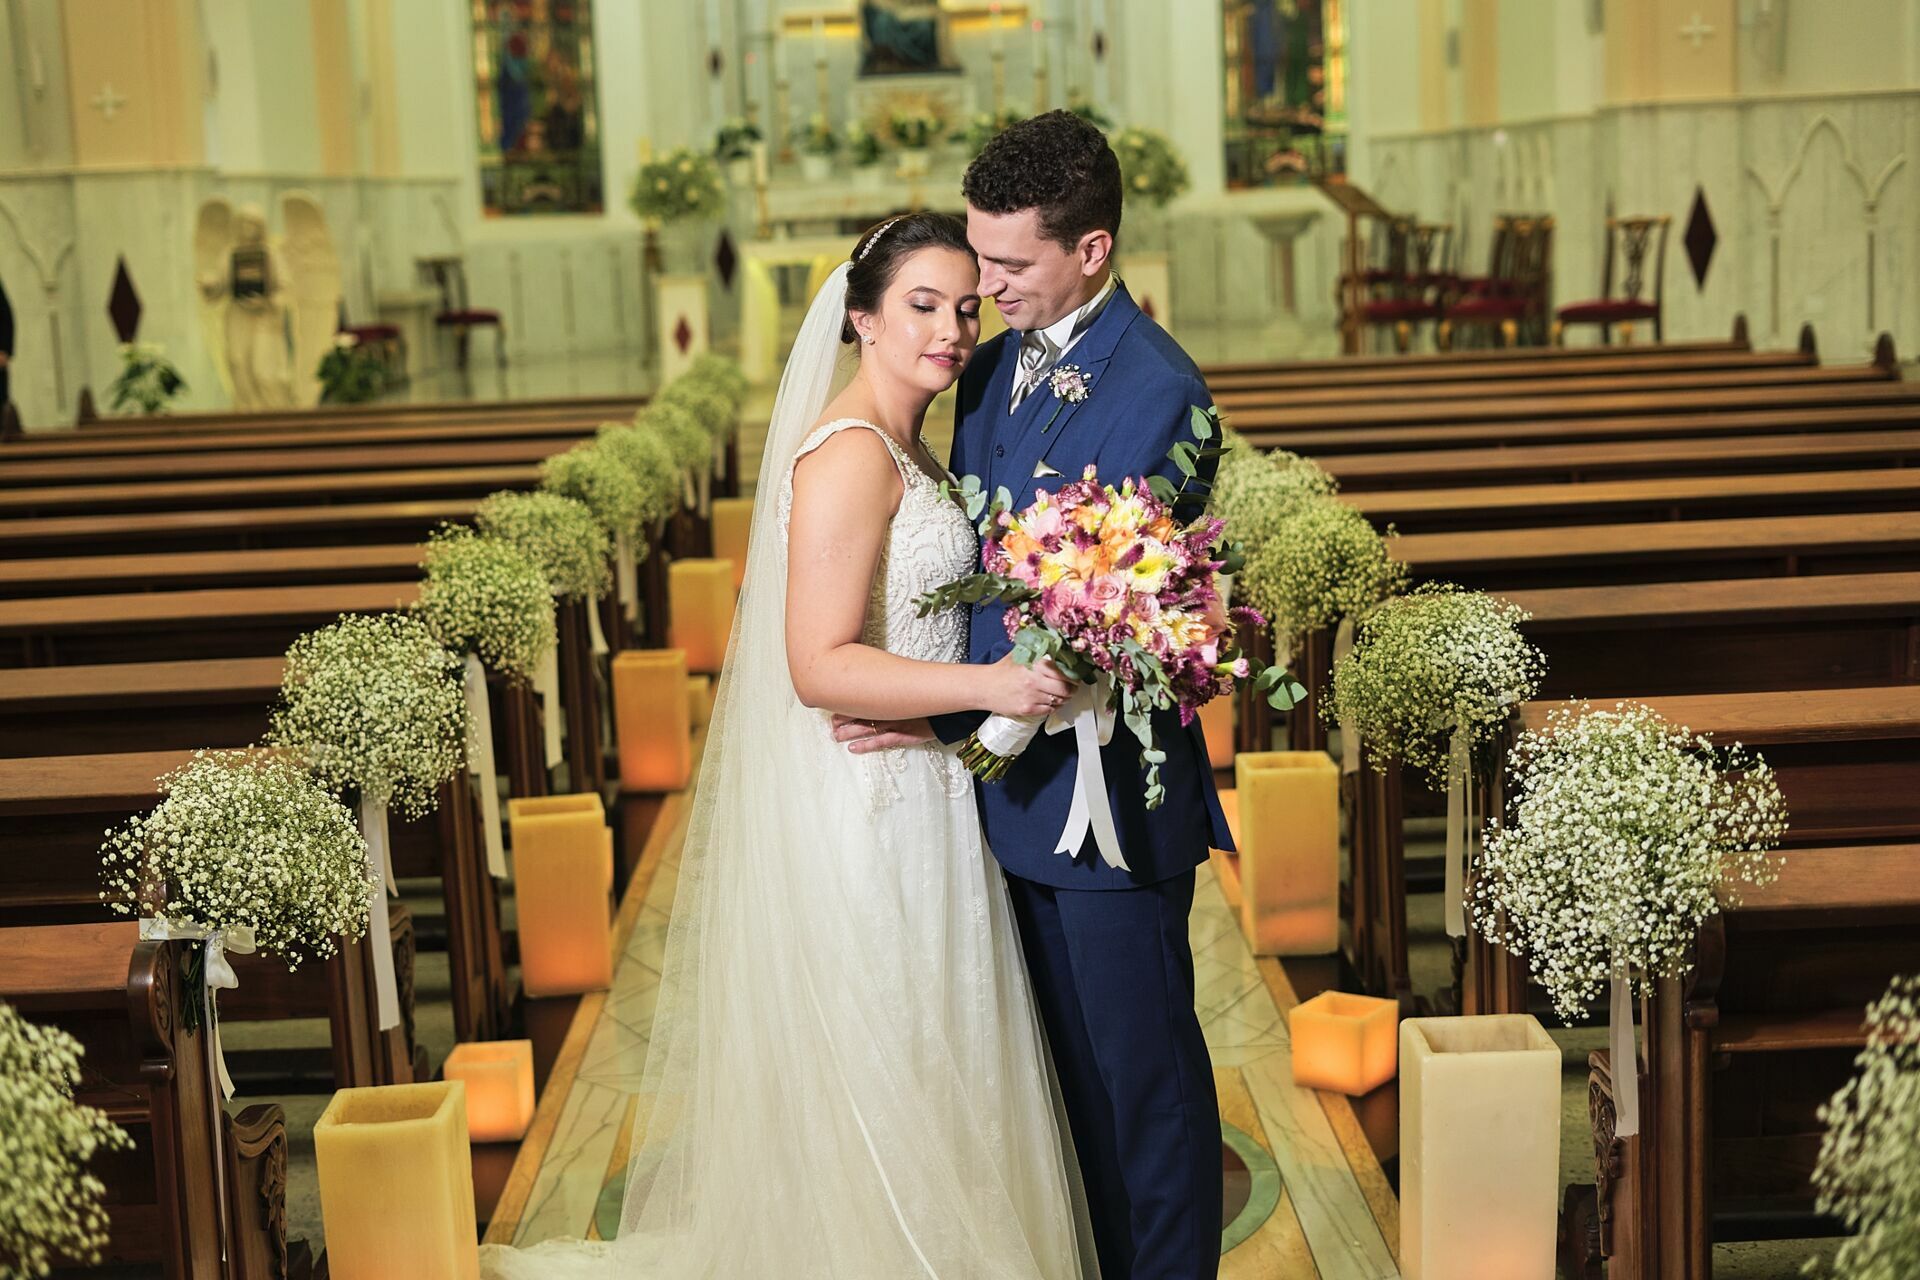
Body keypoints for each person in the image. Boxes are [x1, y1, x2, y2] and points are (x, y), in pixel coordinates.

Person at [478, 212, 1096, 1278]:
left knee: (933, 1055)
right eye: (921, 305)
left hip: (924, 783)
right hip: (871, 802)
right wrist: (991, 686)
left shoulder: (910, 443)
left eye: (964, 308)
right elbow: (817, 663)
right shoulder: (852, 452)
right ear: (861, 318)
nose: (951, 331)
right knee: (892, 1059)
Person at [839, 110, 1231, 1280]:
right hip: (1003, 806)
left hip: (1105, 805)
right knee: (1066, 1098)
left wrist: (942, 714)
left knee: (1147, 1091)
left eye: (1009, 263)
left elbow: (1094, 612)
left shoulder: (1160, 388)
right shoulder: (991, 361)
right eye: (977, 256)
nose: (984, 287)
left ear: (1093, 249)